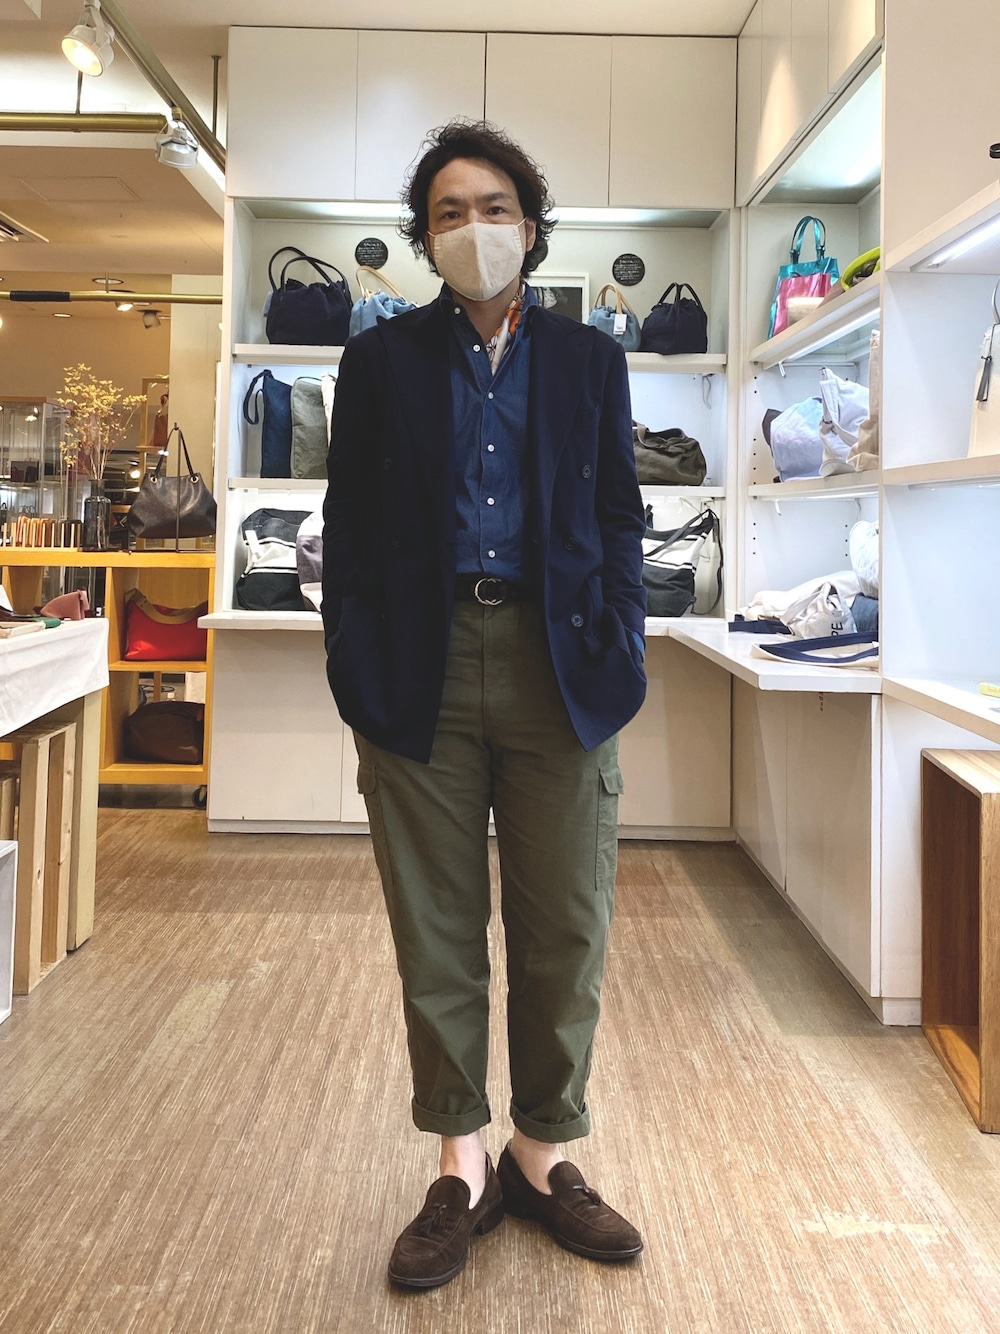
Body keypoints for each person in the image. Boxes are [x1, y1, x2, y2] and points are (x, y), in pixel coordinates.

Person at [322, 120, 647, 1289]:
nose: (474, 228)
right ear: (425, 237)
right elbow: (348, 526)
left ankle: (543, 1148)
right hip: (420, 663)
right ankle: (460, 1159)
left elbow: (619, 514)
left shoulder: (589, 359)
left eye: (494, 206)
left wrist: (622, 635)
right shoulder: (380, 360)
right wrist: (352, 656)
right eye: (449, 212)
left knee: (567, 919)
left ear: (531, 224)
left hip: (562, 666)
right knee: (438, 927)